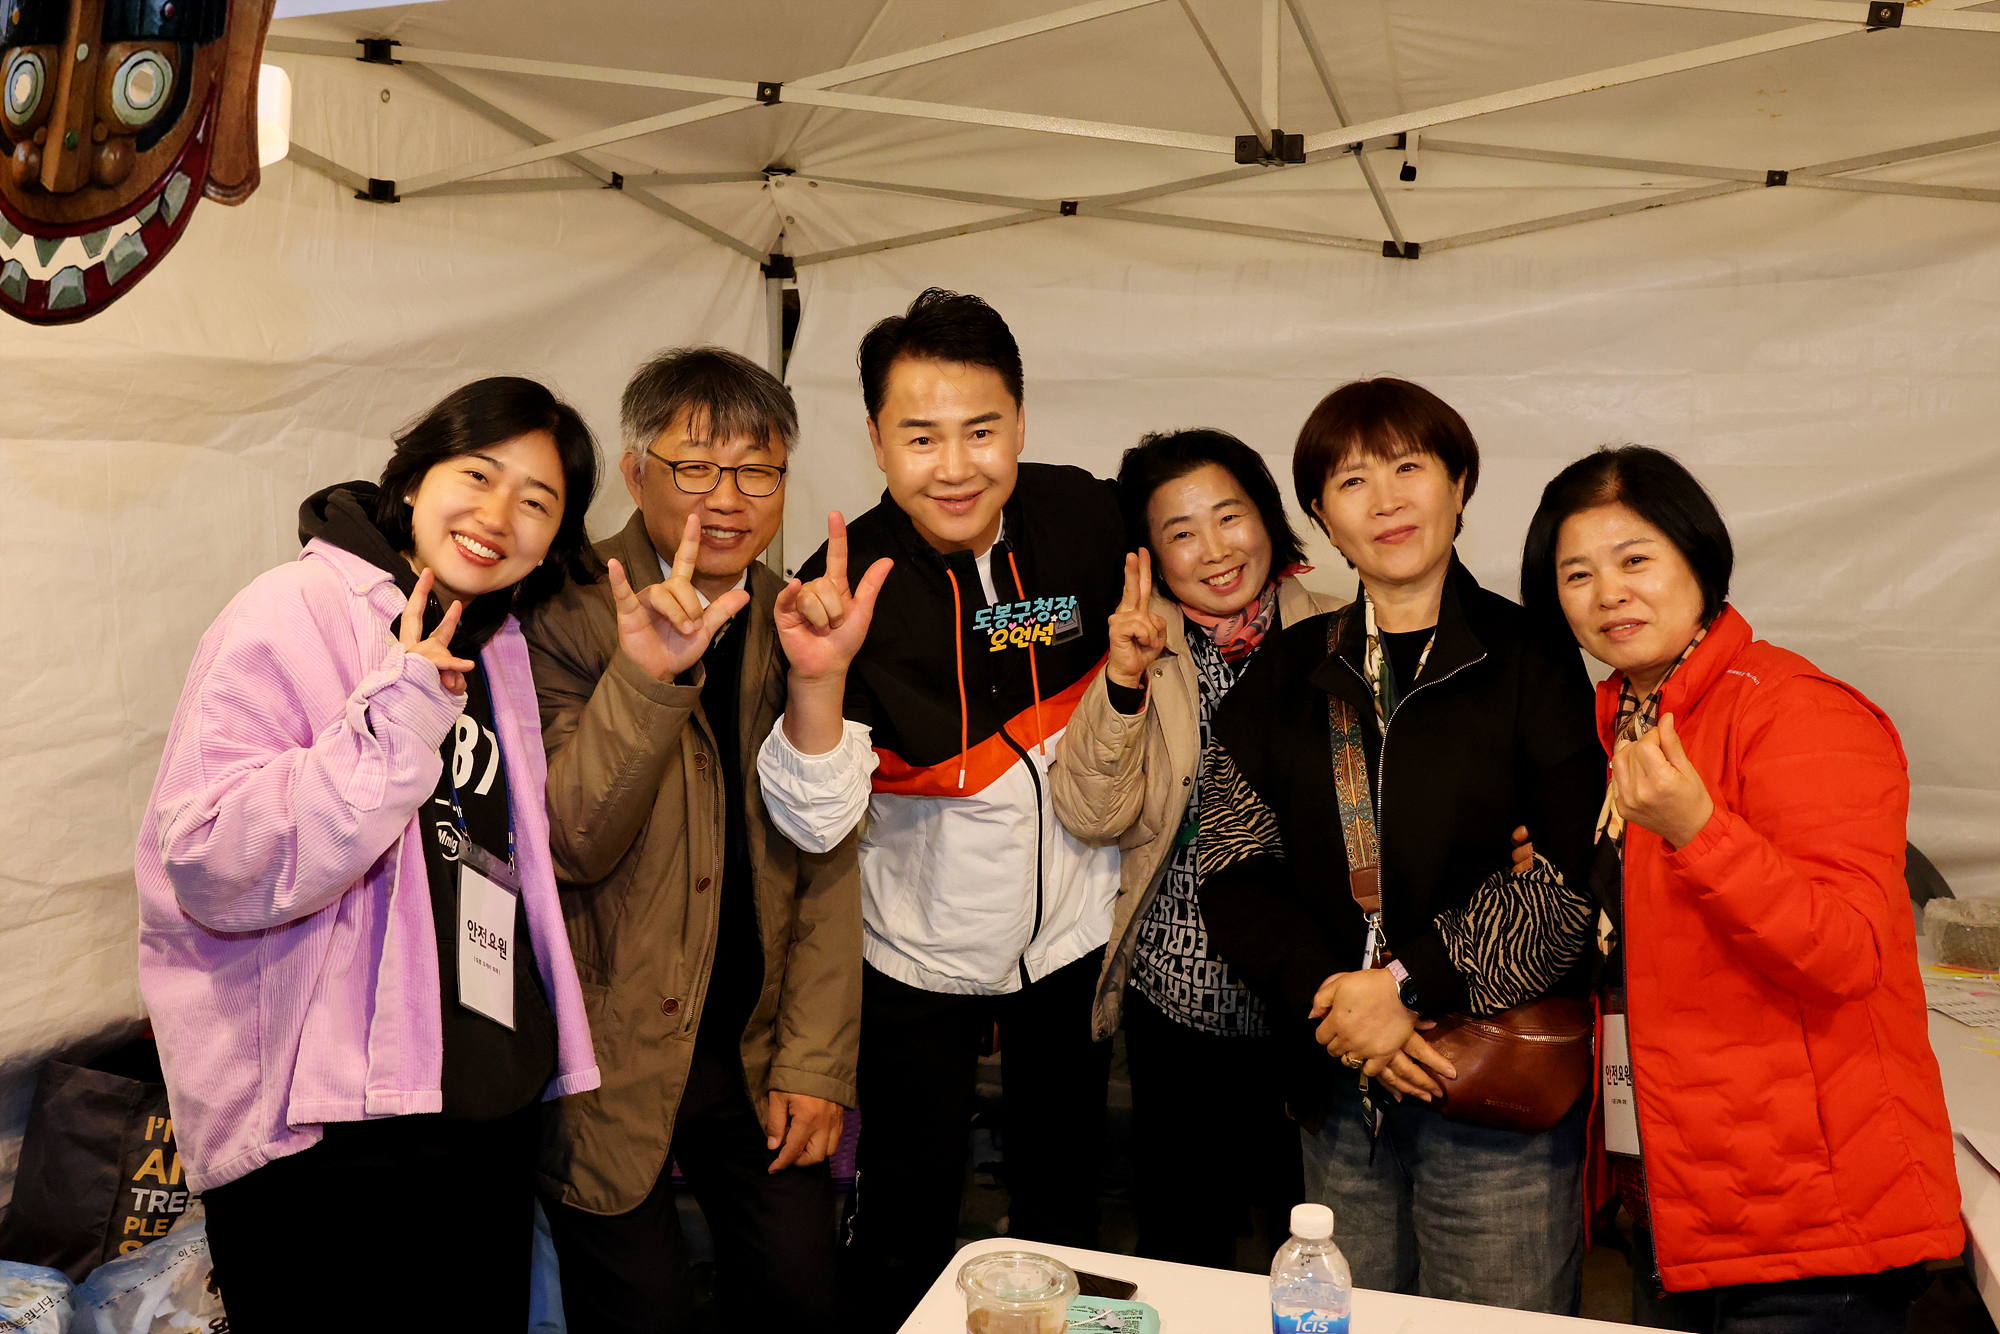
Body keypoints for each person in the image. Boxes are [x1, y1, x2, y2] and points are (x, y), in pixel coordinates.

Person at [135, 377, 603, 1332]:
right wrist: (395, 722)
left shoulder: (498, 642)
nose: (498, 515)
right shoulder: (291, 607)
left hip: (477, 1105)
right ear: (416, 472)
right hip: (327, 1135)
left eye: (537, 501)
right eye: (479, 473)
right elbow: (211, 857)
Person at [1521, 445, 1963, 1332]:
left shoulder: (1797, 711)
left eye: (1635, 559)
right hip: (1678, 1194)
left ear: (1699, 558)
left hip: (1805, 1213)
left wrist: (1699, 830)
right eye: (1578, 573)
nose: (1609, 592)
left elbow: (1847, 952)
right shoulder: (1623, 726)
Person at [756, 288, 1127, 1331]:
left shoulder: (1083, 518)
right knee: (904, 1219)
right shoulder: (839, 581)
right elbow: (815, 819)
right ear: (875, 438)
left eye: (980, 430)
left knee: (1063, 1207)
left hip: (1069, 941)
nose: (954, 465)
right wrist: (817, 677)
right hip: (912, 952)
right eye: (919, 437)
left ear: (1020, 418)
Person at [1195, 378, 1603, 1313]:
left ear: (1460, 485)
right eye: (1350, 482)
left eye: (1410, 468)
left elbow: (1568, 882)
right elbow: (1233, 865)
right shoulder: (1290, 674)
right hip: (1339, 1089)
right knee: (1345, 1319)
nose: (1386, 501)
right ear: (1321, 521)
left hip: (1494, 1084)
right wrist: (1347, 1013)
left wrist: (1405, 988)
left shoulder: (1534, 659)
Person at [524, 347, 875, 1332]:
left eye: (756, 470)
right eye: (694, 466)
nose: (726, 498)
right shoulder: (560, 611)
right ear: (636, 471)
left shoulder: (800, 618)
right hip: (608, 1057)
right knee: (643, 1315)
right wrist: (646, 677)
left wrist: (814, 1060)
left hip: (754, 1047)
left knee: (801, 1293)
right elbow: (575, 838)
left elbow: (826, 859)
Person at [1048, 428, 1339, 1268]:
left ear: (1267, 519)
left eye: (1229, 517)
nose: (1214, 551)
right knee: (1182, 1242)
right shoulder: (1142, 641)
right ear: (1150, 554)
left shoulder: (1337, 630)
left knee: (1318, 1241)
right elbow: (1089, 811)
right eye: (1181, 533)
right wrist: (1124, 680)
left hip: (1314, 1001)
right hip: (1177, 1001)